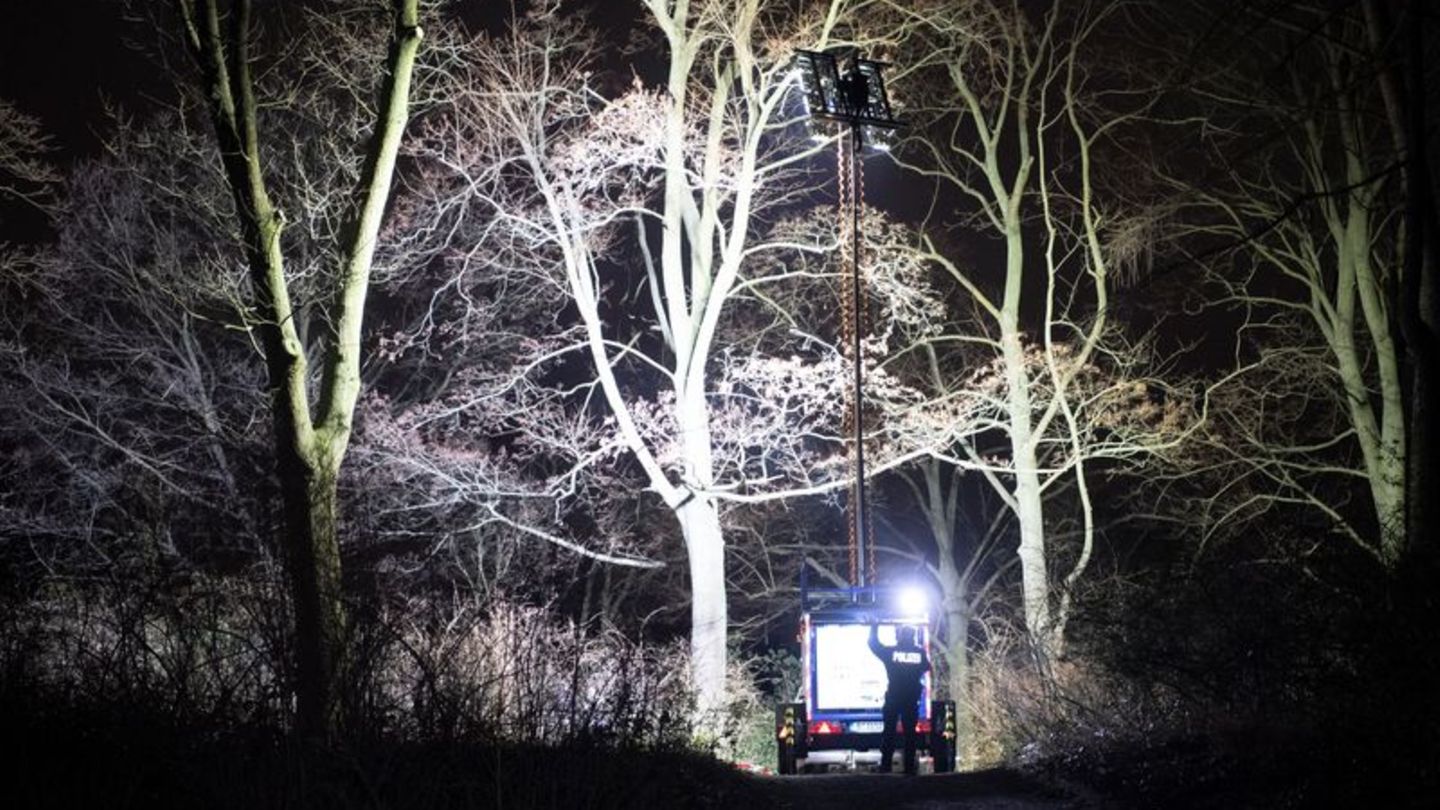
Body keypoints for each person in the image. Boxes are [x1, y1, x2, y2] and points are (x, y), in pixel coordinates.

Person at [867, 618, 929, 775]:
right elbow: (927, 667)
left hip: (894, 697)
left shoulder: (891, 652)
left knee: (889, 733)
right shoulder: (919, 653)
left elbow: (873, 645)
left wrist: (874, 625)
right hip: (911, 699)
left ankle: (886, 766)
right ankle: (909, 767)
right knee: (910, 735)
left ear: (899, 637)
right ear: (913, 637)